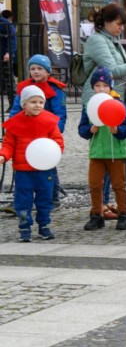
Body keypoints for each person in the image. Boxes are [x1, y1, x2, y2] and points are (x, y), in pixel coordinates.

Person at [0, 86, 65, 241]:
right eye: (33, 102)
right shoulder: (15, 124)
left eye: (41, 102)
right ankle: (24, 227)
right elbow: (9, 144)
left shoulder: (49, 122)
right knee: (23, 200)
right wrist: (3, 155)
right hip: (23, 171)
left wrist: (54, 153)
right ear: (24, 104)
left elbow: (57, 142)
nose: (38, 105)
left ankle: (44, 226)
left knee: (45, 199)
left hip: (44, 170)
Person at [79, 68, 126, 231]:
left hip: (116, 152)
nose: (101, 89)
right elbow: (82, 129)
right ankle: (96, 215)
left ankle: (123, 214)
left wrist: (117, 131)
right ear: (93, 88)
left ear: (110, 87)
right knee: (94, 184)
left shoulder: (119, 104)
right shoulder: (89, 105)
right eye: (97, 85)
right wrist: (90, 130)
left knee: (118, 184)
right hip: (97, 152)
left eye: (104, 85)